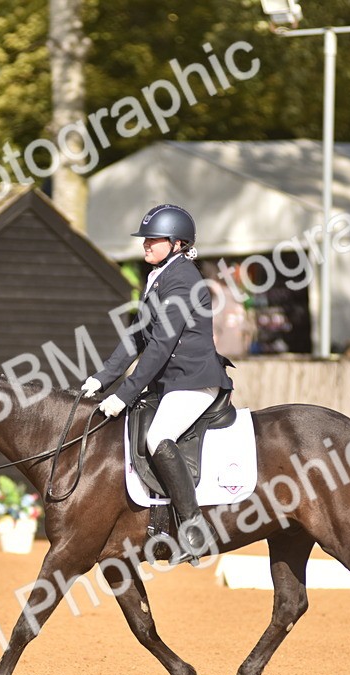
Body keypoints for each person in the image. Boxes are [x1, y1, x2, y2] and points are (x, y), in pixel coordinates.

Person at [81, 204, 233, 564]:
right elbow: (136, 336)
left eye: (154, 239)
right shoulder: (159, 276)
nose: (146, 244)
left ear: (178, 244)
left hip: (194, 380)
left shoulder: (183, 279)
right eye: (145, 238)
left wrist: (124, 394)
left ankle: (194, 530)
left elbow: (161, 345)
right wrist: (102, 378)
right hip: (170, 382)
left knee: (157, 436)